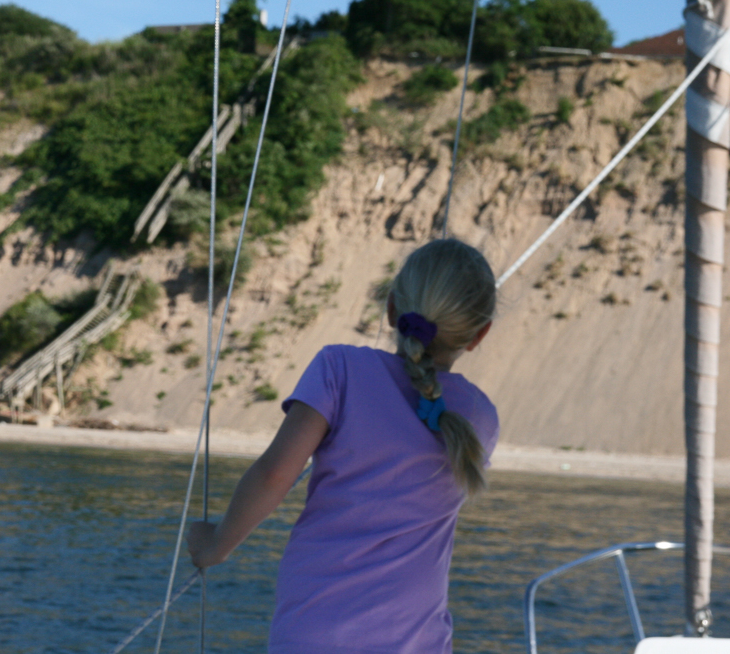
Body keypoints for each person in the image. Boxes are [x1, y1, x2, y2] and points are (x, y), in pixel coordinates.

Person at [186, 238, 499, 654]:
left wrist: (216, 544)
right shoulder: (479, 416)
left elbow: (276, 474)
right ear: (479, 335)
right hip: (417, 642)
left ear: (390, 309)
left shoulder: (340, 369)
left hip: (313, 634)